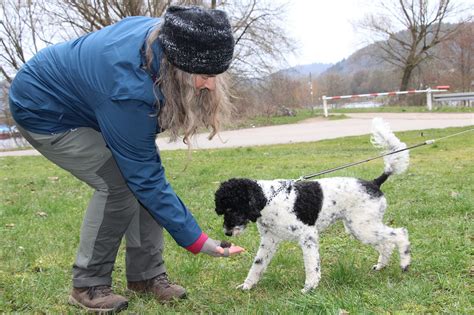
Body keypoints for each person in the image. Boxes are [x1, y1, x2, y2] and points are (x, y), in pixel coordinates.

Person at [8, 5, 244, 313]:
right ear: (177, 65)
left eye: (217, 75)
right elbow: (145, 178)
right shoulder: (129, 89)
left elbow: (146, 175)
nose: (210, 85)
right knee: (120, 184)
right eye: (204, 75)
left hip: (92, 102)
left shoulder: (169, 36)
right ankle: (87, 284)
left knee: (139, 180)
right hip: (43, 108)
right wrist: (199, 241)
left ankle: (146, 277)